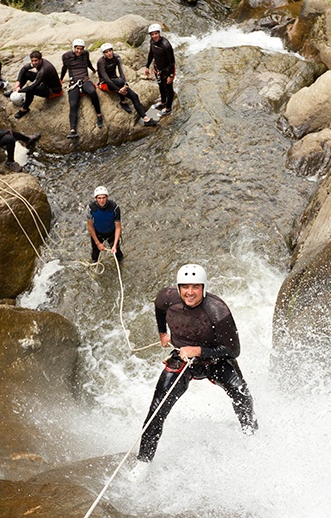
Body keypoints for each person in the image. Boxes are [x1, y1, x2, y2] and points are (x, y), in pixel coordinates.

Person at [132, 264, 257, 478]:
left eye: (196, 287)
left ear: (204, 288)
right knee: (157, 409)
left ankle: (251, 436)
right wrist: (163, 332)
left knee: (242, 394)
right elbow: (159, 309)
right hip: (183, 359)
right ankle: (143, 462)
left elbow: (233, 350)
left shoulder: (217, 310)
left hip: (215, 359)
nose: (190, 292)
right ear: (179, 288)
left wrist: (198, 350)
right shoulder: (167, 297)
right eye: (186, 287)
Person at [96, 43, 158, 127]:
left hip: (116, 81)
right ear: (103, 53)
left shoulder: (117, 57)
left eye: (110, 50)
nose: (109, 53)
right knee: (119, 82)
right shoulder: (101, 62)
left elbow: (121, 72)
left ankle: (146, 119)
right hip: (104, 84)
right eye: (106, 52)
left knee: (134, 96)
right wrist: (119, 90)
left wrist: (124, 84)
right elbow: (106, 79)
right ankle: (122, 100)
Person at [60, 39, 103, 139]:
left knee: (92, 91)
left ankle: (99, 115)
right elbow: (64, 68)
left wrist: (93, 70)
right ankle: (73, 130)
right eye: (77, 49)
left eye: (81, 49)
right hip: (73, 82)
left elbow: (87, 63)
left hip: (84, 79)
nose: (79, 51)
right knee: (73, 104)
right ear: (73, 48)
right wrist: (61, 79)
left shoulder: (85, 54)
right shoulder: (66, 56)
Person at [10, 50, 63, 120]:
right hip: (45, 82)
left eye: (36, 61)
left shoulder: (44, 70)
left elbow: (32, 86)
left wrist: (20, 91)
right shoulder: (37, 63)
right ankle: (15, 90)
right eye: (32, 61)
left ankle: (24, 109)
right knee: (26, 74)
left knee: (30, 91)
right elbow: (24, 69)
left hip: (53, 90)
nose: (34, 63)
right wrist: (18, 82)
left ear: (40, 59)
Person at [144, 23, 176, 116]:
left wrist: (170, 75)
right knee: (160, 86)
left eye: (156, 33)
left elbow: (172, 62)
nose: (154, 36)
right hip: (158, 69)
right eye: (152, 34)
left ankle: (168, 108)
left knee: (168, 88)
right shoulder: (152, 41)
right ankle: (163, 102)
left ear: (159, 33)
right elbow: (151, 53)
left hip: (167, 70)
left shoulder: (166, 45)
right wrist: (147, 66)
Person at [85, 186, 123, 262]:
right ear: (95, 198)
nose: (101, 201)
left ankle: (121, 265)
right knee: (95, 254)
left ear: (107, 197)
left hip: (111, 233)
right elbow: (90, 226)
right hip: (97, 233)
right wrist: (98, 243)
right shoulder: (90, 208)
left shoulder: (114, 208)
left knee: (117, 252)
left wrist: (115, 245)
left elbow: (118, 227)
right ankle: (94, 265)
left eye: (103, 198)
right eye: (99, 198)